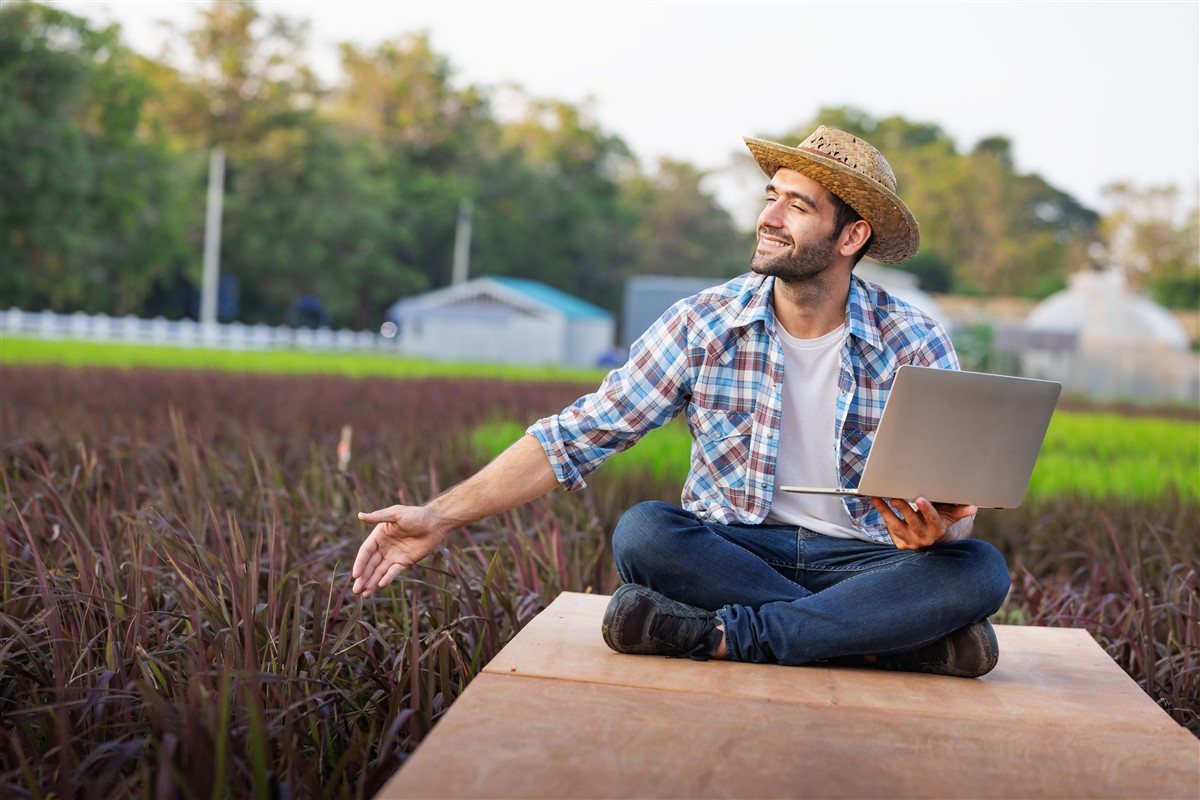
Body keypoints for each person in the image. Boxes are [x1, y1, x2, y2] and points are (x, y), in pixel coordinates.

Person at [351, 126, 1011, 677]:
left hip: (864, 560)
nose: (768, 218)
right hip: (739, 553)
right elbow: (577, 436)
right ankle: (883, 641)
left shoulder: (913, 340)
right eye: (771, 197)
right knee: (645, 531)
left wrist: (939, 532)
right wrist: (439, 516)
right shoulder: (703, 323)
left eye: (798, 206)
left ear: (851, 237)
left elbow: (953, 517)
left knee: (977, 568)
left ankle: (728, 637)